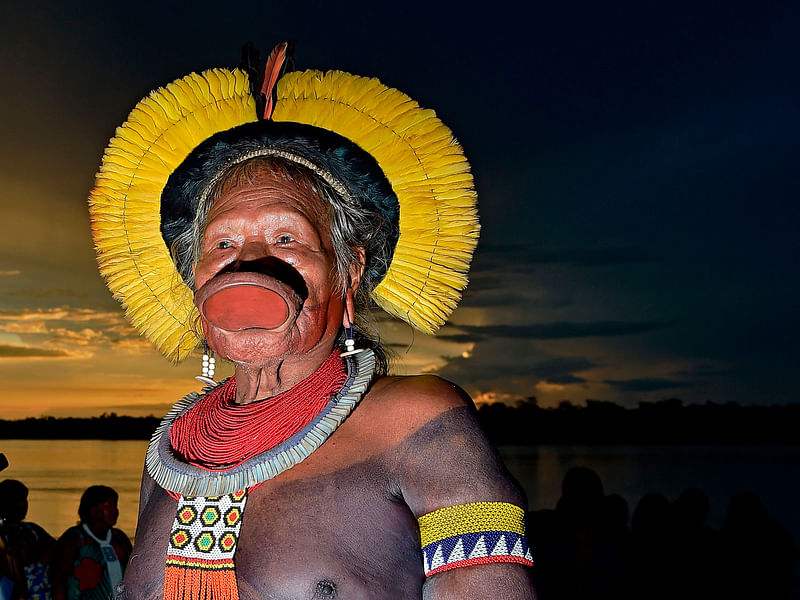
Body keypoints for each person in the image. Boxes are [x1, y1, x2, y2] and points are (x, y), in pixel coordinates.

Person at [88, 42, 535, 599]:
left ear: (348, 272)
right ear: (195, 279)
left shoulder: (417, 422)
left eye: (285, 238)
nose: (249, 265)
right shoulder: (169, 460)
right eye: (222, 243)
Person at [50, 486, 132, 600]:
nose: (116, 511)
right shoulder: (74, 539)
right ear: (94, 510)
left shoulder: (119, 538)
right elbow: (58, 578)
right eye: (109, 506)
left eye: (115, 506)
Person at [0, 480, 54, 600]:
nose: (24, 504)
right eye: (18, 500)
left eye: (25, 499)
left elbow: (57, 552)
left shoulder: (33, 530)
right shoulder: (4, 535)